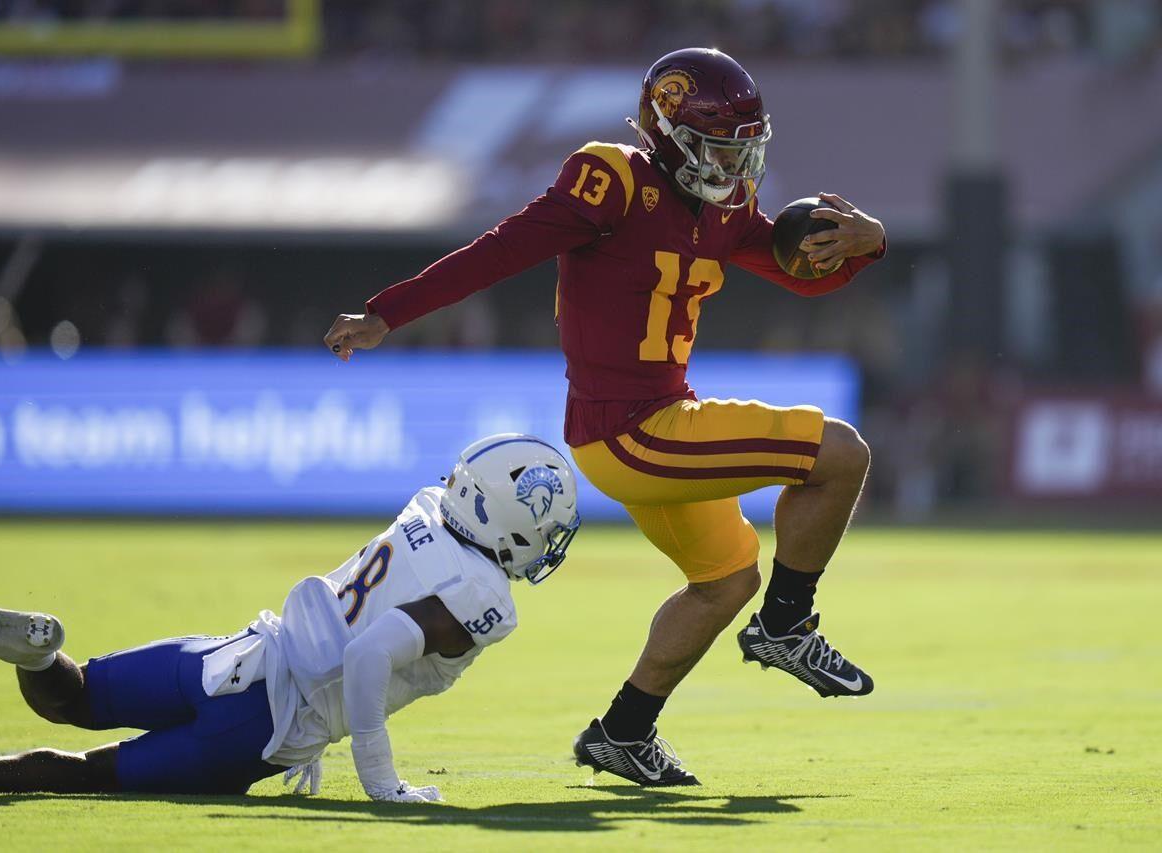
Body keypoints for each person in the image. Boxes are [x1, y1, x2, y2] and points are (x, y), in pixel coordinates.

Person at [324, 48, 886, 786]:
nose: (736, 161)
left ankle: (623, 732)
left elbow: (802, 278)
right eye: (720, 144)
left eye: (745, 144)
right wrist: (387, 313)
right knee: (839, 452)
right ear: (672, 132)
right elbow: (500, 251)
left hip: (656, 423)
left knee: (725, 577)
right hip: (633, 429)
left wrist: (868, 242)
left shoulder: (723, 210)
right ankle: (788, 625)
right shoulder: (612, 180)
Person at [0, 434, 581, 802]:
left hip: (238, 650)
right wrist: (378, 777)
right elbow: (369, 656)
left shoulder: (429, 504)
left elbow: (358, 625)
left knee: (82, 693)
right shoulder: (485, 593)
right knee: (86, 772)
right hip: (260, 724)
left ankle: (36, 655)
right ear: (515, 524)